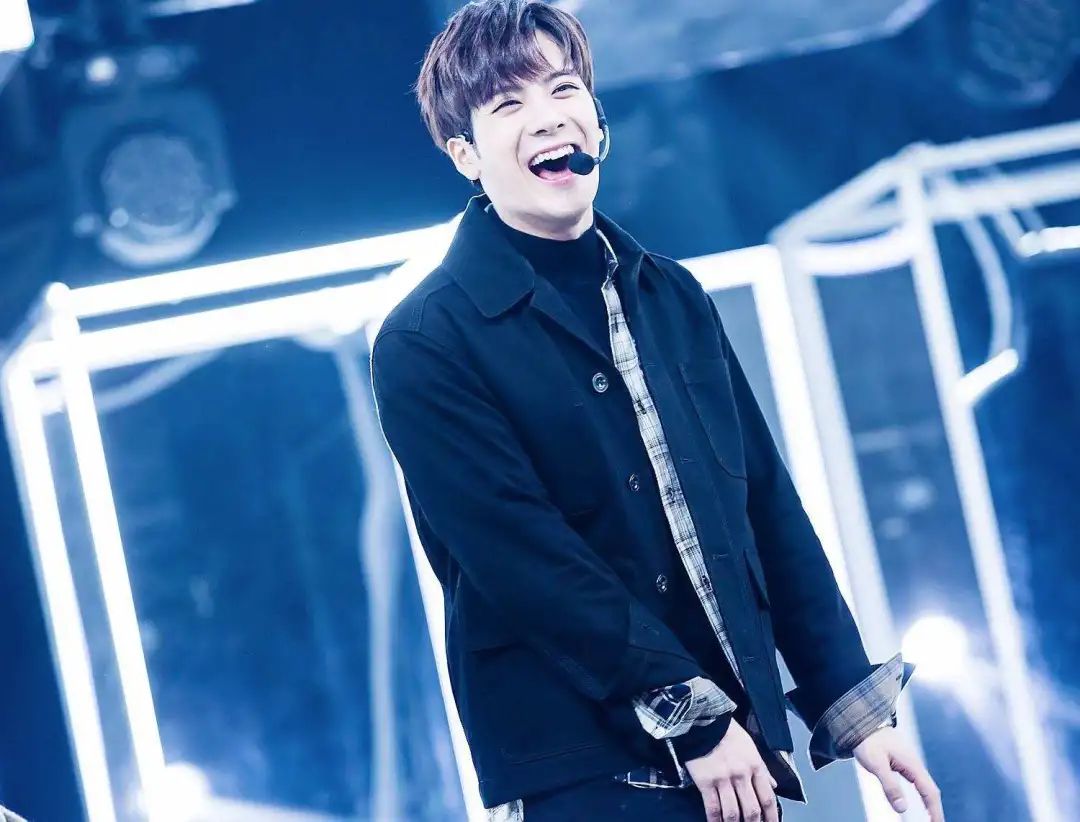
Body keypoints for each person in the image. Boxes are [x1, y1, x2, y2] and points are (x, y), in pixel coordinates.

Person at [371, 2, 945, 820]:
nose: (548, 116)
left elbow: (765, 509)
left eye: (563, 88)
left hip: (740, 754)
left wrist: (852, 706)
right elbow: (524, 561)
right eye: (509, 104)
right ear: (465, 154)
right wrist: (690, 714)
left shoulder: (672, 296)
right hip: (589, 772)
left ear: (596, 118)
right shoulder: (427, 339)